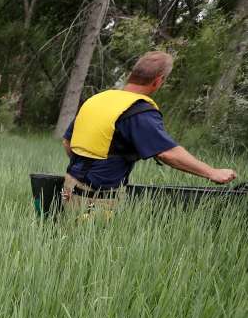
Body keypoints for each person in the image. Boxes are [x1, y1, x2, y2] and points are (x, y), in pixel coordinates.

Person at [61, 51, 237, 215]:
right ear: (158, 81)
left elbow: (68, 143)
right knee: (95, 243)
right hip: (99, 195)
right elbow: (167, 153)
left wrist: (84, 165)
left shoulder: (98, 100)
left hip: (70, 186)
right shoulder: (137, 111)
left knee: (67, 237)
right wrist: (212, 172)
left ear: (132, 75)